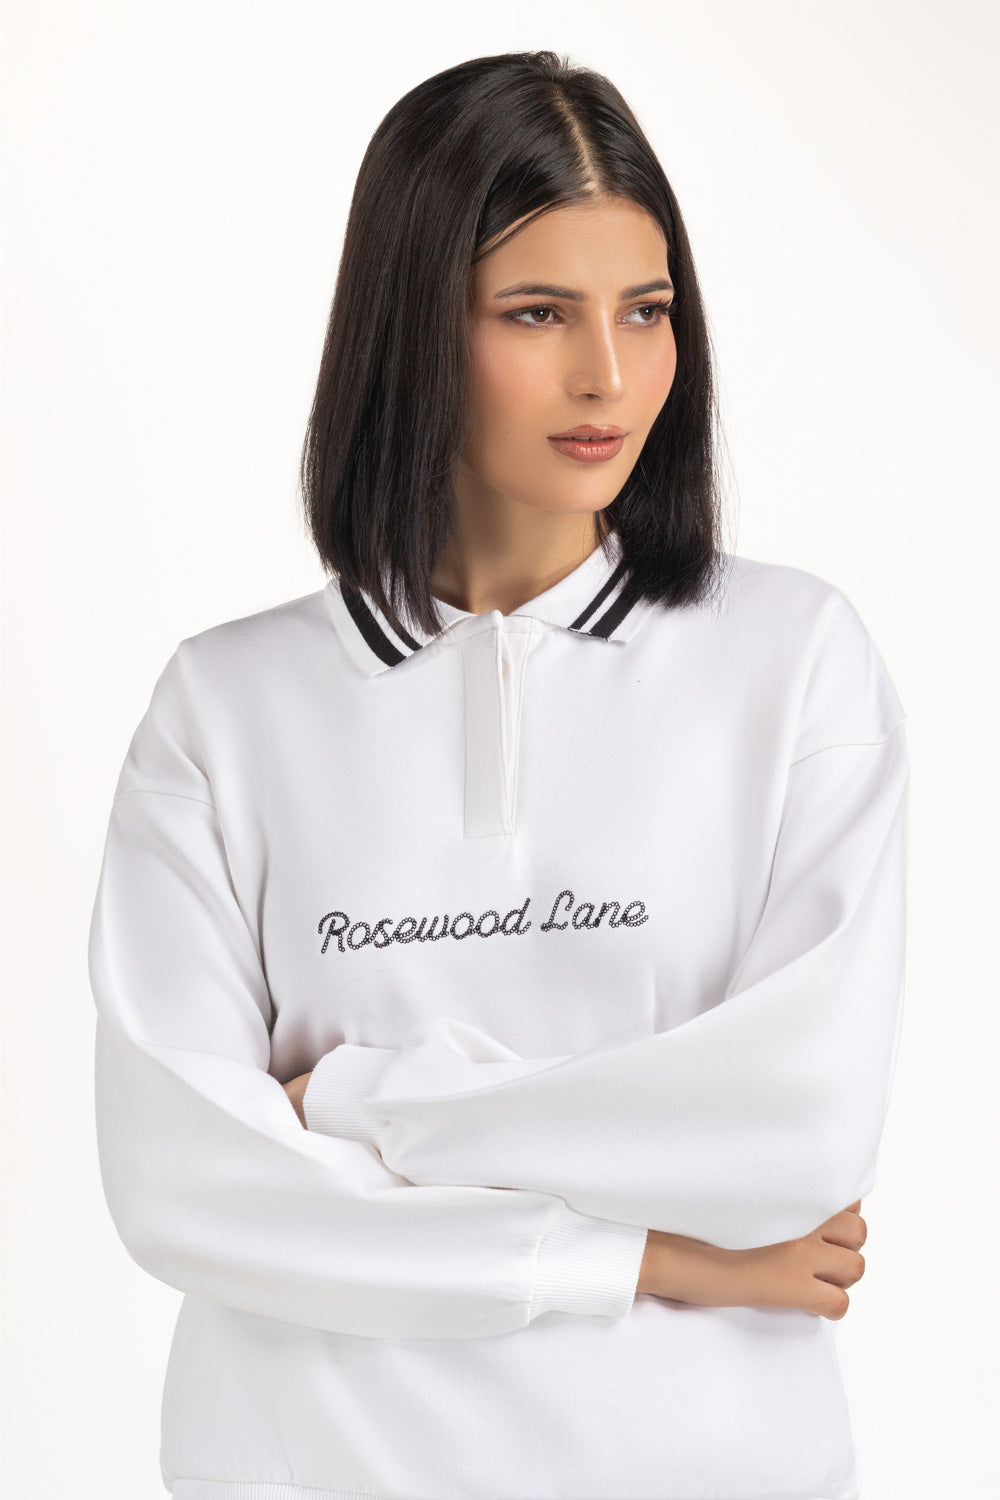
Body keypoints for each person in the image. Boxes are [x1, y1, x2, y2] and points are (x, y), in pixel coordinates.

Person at [88, 49, 909, 1500]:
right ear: (413, 326)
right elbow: (188, 1189)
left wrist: (352, 1103)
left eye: (645, 310)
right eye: (538, 313)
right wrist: (652, 1256)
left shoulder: (792, 662)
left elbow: (794, 1125)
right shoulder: (224, 711)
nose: (609, 375)